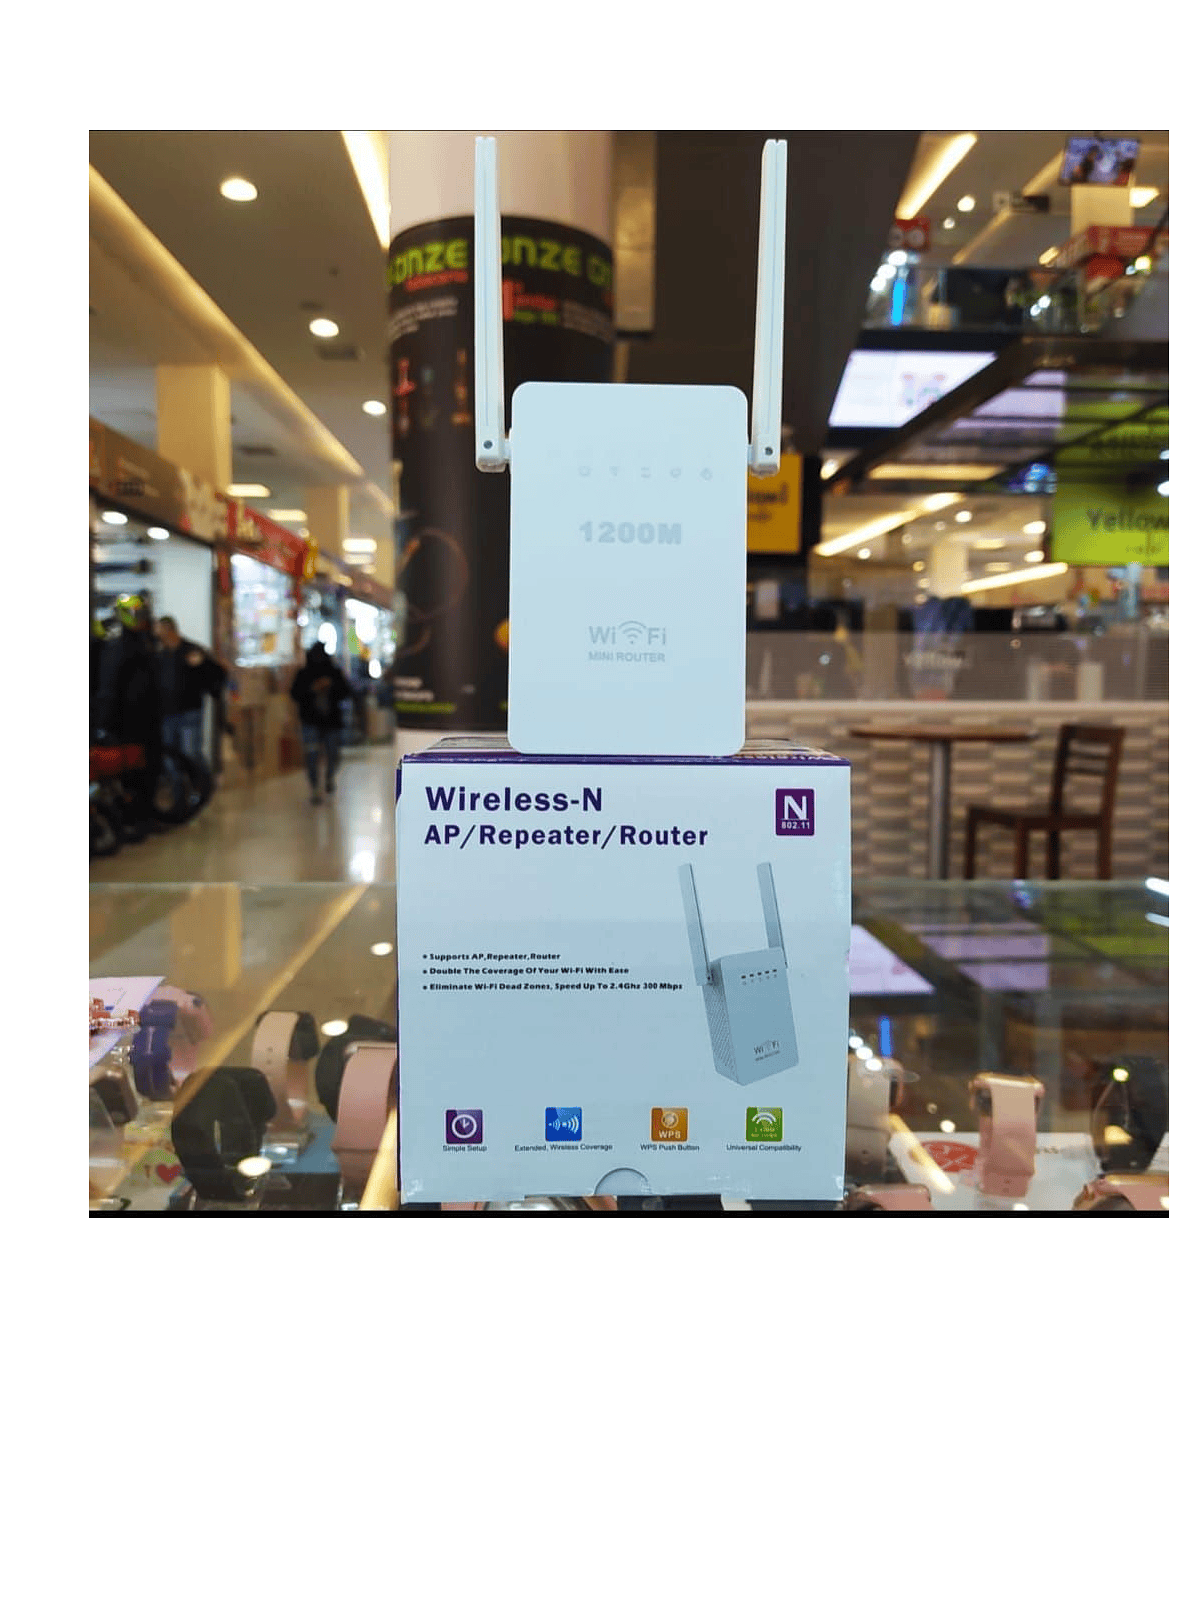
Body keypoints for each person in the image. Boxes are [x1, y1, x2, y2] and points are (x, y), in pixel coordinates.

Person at [93, 593, 164, 833]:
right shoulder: (119, 645)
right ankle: (133, 819)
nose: (142, 618)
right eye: (137, 614)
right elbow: (109, 686)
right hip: (128, 722)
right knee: (133, 773)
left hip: (148, 719)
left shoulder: (145, 641)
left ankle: (145, 815)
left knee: (149, 770)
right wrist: (103, 723)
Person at [155, 615, 227, 780]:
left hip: (190, 711)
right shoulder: (160, 654)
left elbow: (216, 673)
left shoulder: (192, 650)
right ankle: (179, 790)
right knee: (169, 755)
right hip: (166, 713)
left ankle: (203, 784)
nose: (158, 635)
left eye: (160, 631)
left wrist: (202, 664)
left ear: (169, 630)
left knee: (190, 752)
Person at [289, 641, 350, 804]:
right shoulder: (304, 674)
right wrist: (312, 689)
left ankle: (328, 778)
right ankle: (315, 786)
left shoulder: (334, 673)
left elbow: (345, 691)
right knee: (312, 756)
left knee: (332, 754)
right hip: (311, 721)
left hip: (330, 722)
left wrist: (331, 686)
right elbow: (295, 694)